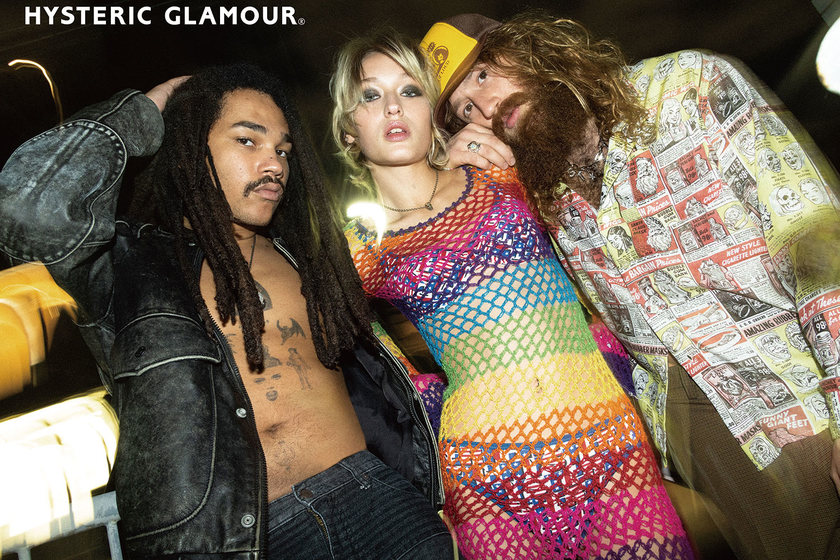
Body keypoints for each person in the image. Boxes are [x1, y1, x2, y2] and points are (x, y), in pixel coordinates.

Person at [422, 11, 840, 559]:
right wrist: (464, 189)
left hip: (804, 389)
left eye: (482, 74)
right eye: (463, 111)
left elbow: (816, 243)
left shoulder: (689, 86)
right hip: (704, 437)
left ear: (528, 48)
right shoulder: (540, 194)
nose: (483, 108)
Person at [0, 63, 452, 559]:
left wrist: (457, 164)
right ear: (191, 148)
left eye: (283, 150)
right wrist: (143, 112)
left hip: (378, 505)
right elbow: (28, 209)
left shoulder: (309, 255)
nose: (274, 164)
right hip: (240, 542)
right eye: (247, 141)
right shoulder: (129, 265)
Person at [332, 30, 693, 560]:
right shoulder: (359, 246)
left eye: (410, 91)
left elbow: (599, 227)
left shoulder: (499, 171)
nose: (393, 107)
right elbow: (359, 358)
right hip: (483, 479)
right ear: (349, 129)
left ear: (432, 111)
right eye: (371, 95)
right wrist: (425, 406)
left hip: (608, 441)